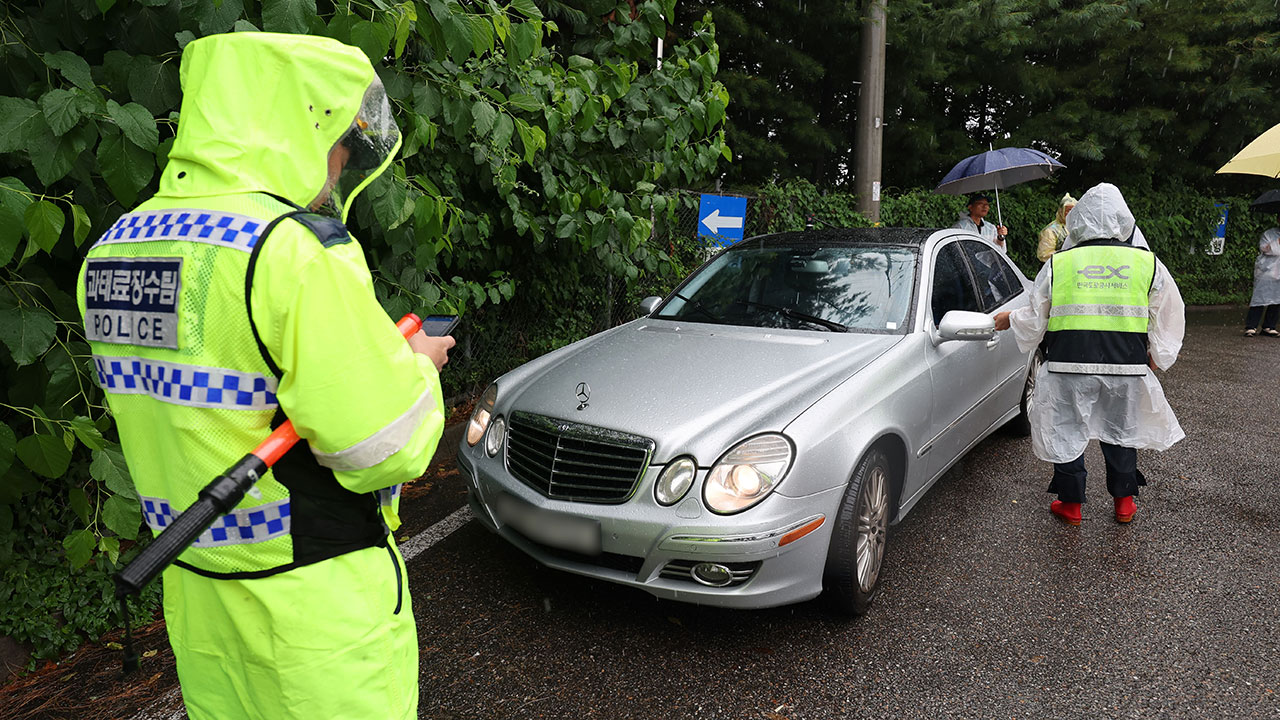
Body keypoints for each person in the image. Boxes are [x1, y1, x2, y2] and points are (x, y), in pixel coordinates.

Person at [77, 33, 453, 719]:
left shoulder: (115, 247)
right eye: (339, 136)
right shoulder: (294, 251)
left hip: (197, 599)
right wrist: (418, 369)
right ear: (296, 123)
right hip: (314, 615)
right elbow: (382, 447)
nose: (340, 161)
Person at [993, 183, 1185, 526]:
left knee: (1066, 430)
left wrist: (1010, 319)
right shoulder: (1145, 261)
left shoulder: (1062, 262)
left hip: (1068, 363)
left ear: (1078, 221)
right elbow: (1168, 311)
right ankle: (1124, 502)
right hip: (1126, 365)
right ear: (1123, 218)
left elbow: (1038, 315)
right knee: (1121, 431)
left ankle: (1072, 505)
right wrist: (1158, 353)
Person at [1244, 216, 1280, 337]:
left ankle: (1269, 326)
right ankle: (1251, 326)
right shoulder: (1269, 234)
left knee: (1277, 299)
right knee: (1260, 298)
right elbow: (1265, 249)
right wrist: (1278, 242)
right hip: (1267, 270)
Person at [1035, 193, 1077, 262]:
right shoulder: (1051, 230)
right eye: (1068, 210)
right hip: (1053, 268)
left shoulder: (1076, 227)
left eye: (1073, 210)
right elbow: (1044, 255)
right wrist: (1065, 254)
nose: (1070, 213)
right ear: (1061, 211)